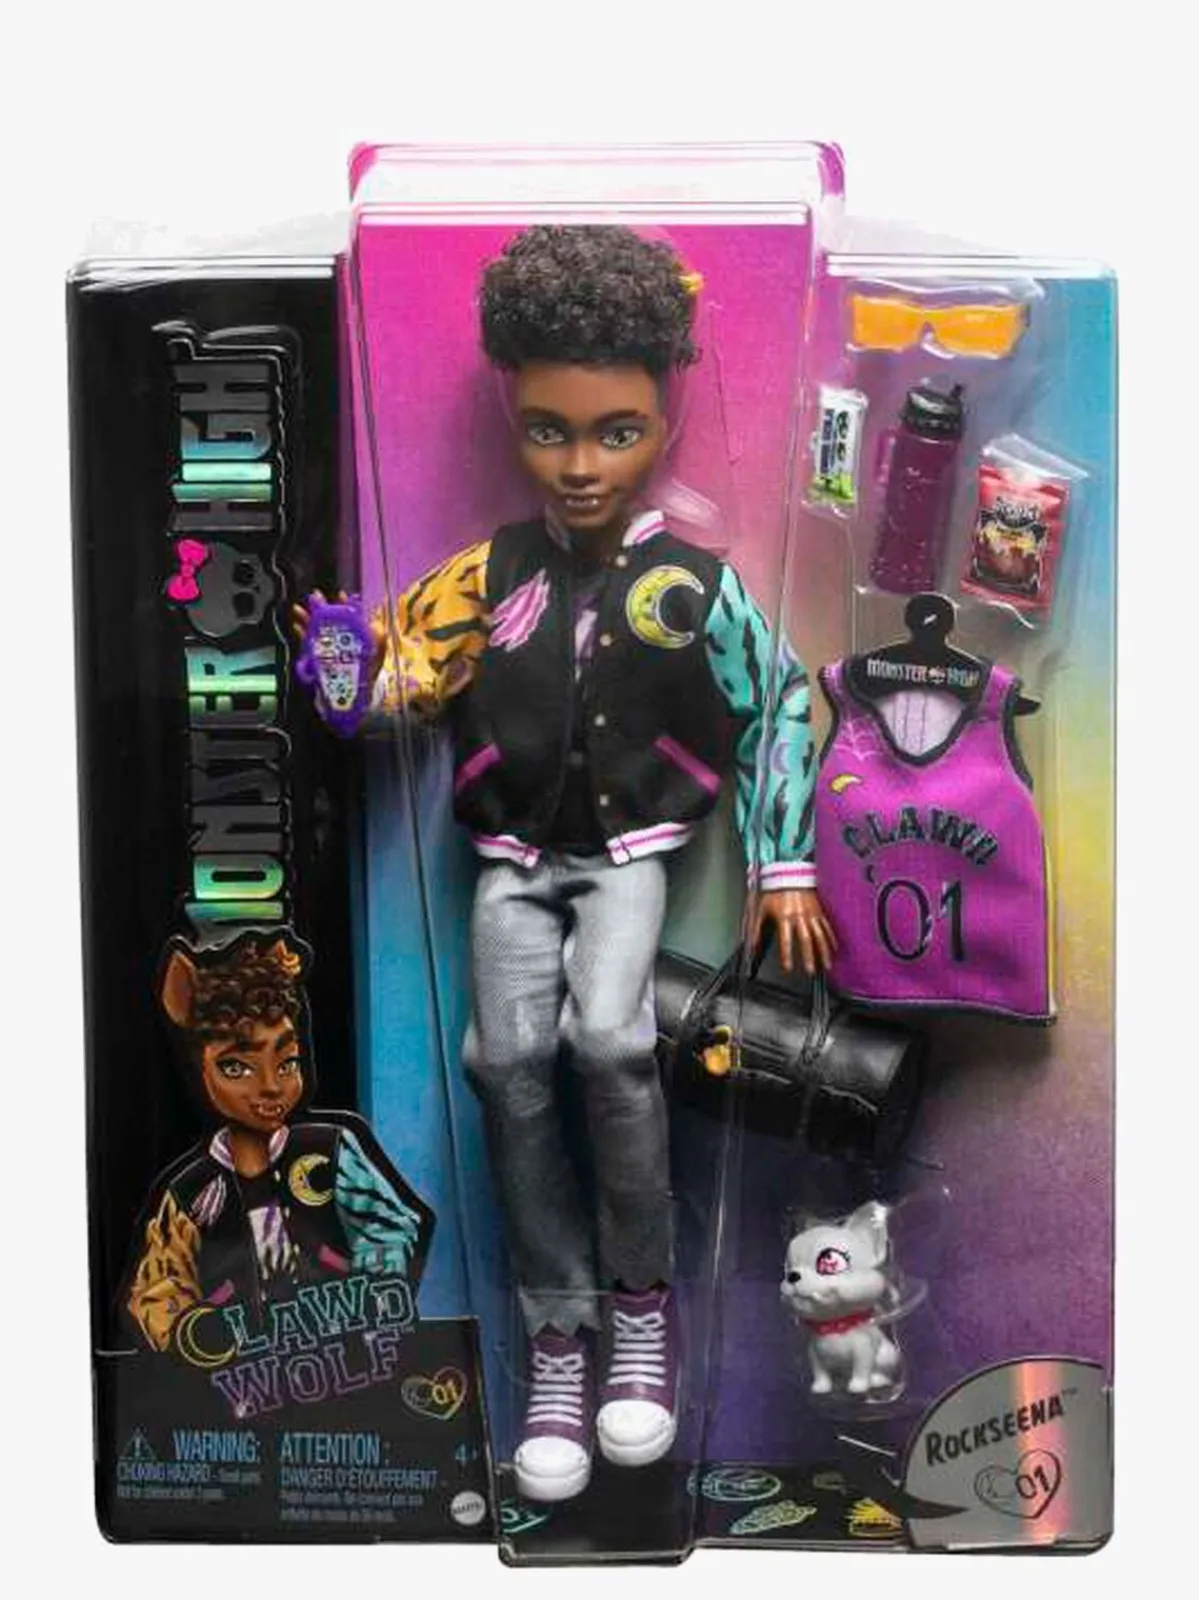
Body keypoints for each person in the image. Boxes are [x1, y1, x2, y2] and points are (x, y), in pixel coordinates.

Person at [296, 224, 834, 1502]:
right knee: (501, 1060)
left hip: (629, 852)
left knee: (609, 1038)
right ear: (511, 412)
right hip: (510, 857)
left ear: (664, 418)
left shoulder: (694, 583)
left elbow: (780, 699)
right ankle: (557, 1332)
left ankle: (640, 1308)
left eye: (615, 431)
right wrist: (349, 673)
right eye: (549, 430)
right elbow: (405, 669)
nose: (581, 464)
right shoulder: (491, 572)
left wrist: (784, 863)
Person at [127, 933, 430, 1356]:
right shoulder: (191, 1192)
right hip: (245, 1373)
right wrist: (196, 1334)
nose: (271, 1086)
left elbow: (389, 1229)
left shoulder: (328, 1153)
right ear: (201, 1069)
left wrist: (370, 1296)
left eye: (287, 1063)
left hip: (345, 1356)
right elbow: (159, 1288)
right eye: (237, 1068)